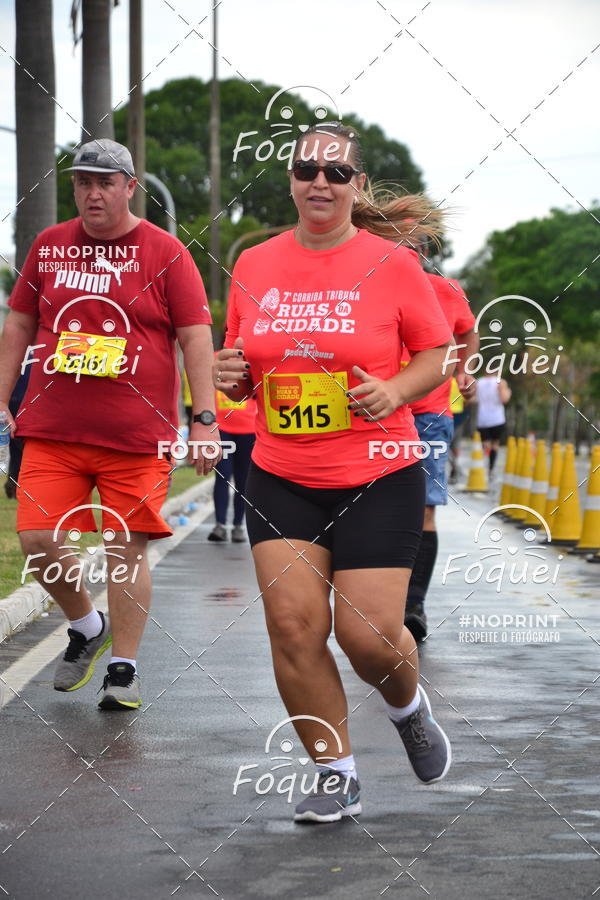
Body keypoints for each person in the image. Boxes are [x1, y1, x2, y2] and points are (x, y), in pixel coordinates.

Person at [214, 123, 455, 824]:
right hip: (282, 471)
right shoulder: (255, 265)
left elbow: (437, 354)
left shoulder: (393, 264)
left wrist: (396, 391)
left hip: (378, 469)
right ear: (290, 179)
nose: (320, 180)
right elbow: (240, 366)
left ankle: (407, 707)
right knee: (293, 628)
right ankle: (334, 772)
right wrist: (231, 379)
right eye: (306, 168)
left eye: (336, 172)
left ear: (355, 186)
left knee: (369, 636)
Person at [0, 139, 218, 710]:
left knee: (126, 549)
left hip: (135, 435)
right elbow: (19, 325)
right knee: (37, 539)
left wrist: (204, 420)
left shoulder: (167, 252)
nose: (93, 193)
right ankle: (87, 625)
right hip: (52, 427)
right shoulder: (49, 247)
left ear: (129, 188)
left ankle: (123, 666)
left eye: (105, 182)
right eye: (83, 183)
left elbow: (196, 339)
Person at [403, 270, 478, 641]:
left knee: (424, 508)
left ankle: (413, 606)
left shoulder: (446, 289)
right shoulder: (360, 278)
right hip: (369, 413)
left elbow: (467, 330)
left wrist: (464, 370)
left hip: (429, 415)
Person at [207, 385, 256, 542]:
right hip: (221, 428)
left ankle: (238, 526)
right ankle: (220, 525)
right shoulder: (212, 360)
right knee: (223, 474)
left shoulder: (251, 360)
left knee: (243, 480)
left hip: (249, 429)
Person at [476, 375, 512, 477]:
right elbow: (504, 399)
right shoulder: (500, 382)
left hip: (482, 419)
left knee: (485, 445)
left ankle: (481, 468)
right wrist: (508, 391)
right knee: (494, 445)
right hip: (497, 419)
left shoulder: (479, 382)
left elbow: (473, 399)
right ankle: (490, 469)